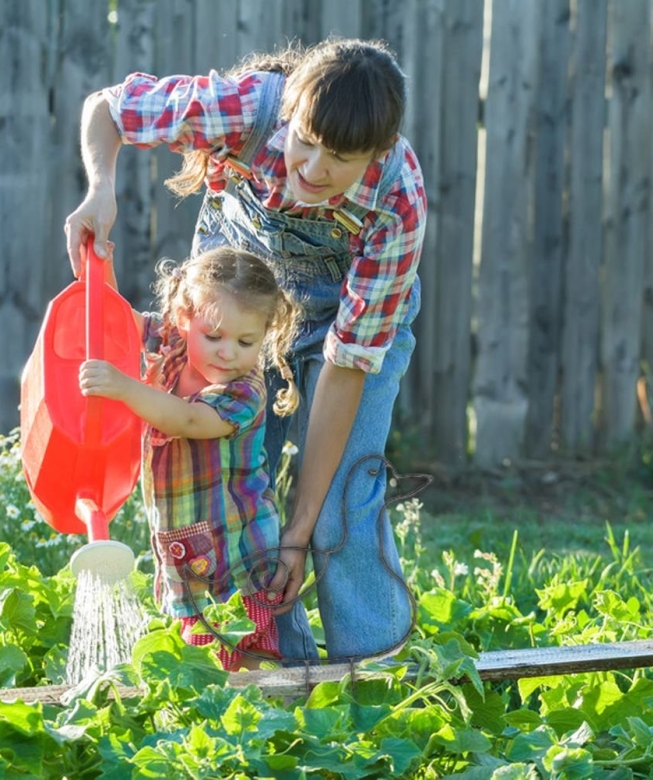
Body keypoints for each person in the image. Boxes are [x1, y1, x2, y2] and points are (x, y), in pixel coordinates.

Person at [65, 36, 428, 663]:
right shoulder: (245, 109)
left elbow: (345, 365)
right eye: (305, 141)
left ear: (380, 150)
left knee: (342, 498)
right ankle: (263, 661)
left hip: (349, 326)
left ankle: (374, 670)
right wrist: (100, 188)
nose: (312, 169)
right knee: (223, 485)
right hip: (240, 312)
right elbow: (109, 108)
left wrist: (300, 530)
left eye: (339, 158)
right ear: (292, 109)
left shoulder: (397, 204)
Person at [79, 245, 301, 671]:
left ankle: (255, 706)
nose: (228, 352)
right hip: (186, 544)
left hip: (235, 555)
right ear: (184, 318)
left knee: (238, 653)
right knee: (198, 660)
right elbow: (115, 321)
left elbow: (188, 419)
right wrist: (101, 263)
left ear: (266, 333)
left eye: (246, 341)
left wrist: (124, 388)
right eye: (213, 336)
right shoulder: (174, 345)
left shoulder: (244, 391)